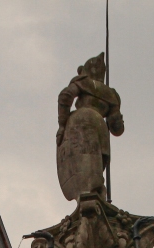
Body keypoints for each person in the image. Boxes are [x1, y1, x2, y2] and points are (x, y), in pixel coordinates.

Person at [55, 53, 124, 202]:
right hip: (100, 129)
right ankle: (98, 195)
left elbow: (65, 97)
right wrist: (115, 113)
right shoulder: (112, 95)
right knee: (96, 171)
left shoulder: (82, 82)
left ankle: (89, 200)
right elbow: (117, 129)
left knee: (83, 171)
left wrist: (62, 125)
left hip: (81, 123)